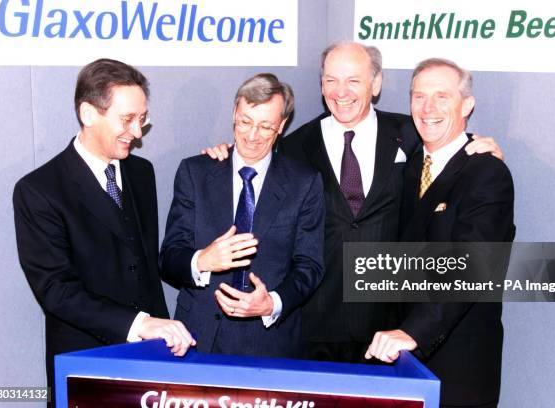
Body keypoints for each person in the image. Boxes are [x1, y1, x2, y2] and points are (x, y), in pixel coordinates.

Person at [203, 42, 502, 362]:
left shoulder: (411, 132)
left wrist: (478, 147)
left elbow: (447, 156)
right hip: (312, 327)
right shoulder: (294, 146)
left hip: (388, 329)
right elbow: (255, 164)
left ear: (376, 85)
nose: (341, 91)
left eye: (353, 81)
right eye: (331, 80)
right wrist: (226, 155)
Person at [13, 59, 196, 402]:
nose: (138, 133)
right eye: (127, 120)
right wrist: (141, 324)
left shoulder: (142, 173)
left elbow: (143, 267)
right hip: (85, 368)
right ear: (88, 113)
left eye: (142, 120)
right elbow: (56, 291)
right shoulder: (39, 190)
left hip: (152, 364)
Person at [364, 58, 515, 408]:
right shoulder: (410, 163)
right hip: (401, 363)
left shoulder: (486, 173)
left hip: (458, 368)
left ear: (467, 105)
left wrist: (413, 332)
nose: (428, 108)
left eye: (441, 97)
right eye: (419, 96)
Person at [160, 73, 324, 358]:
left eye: (265, 126)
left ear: (282, 126)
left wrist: (271, 303)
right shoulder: (195, 172)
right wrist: (202, 260)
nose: (252, 135)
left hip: (270, 343)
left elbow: (310, 265)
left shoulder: (304, 182)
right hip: (198, 337)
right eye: (245, 121)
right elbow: (169, 258)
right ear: (234, 113)